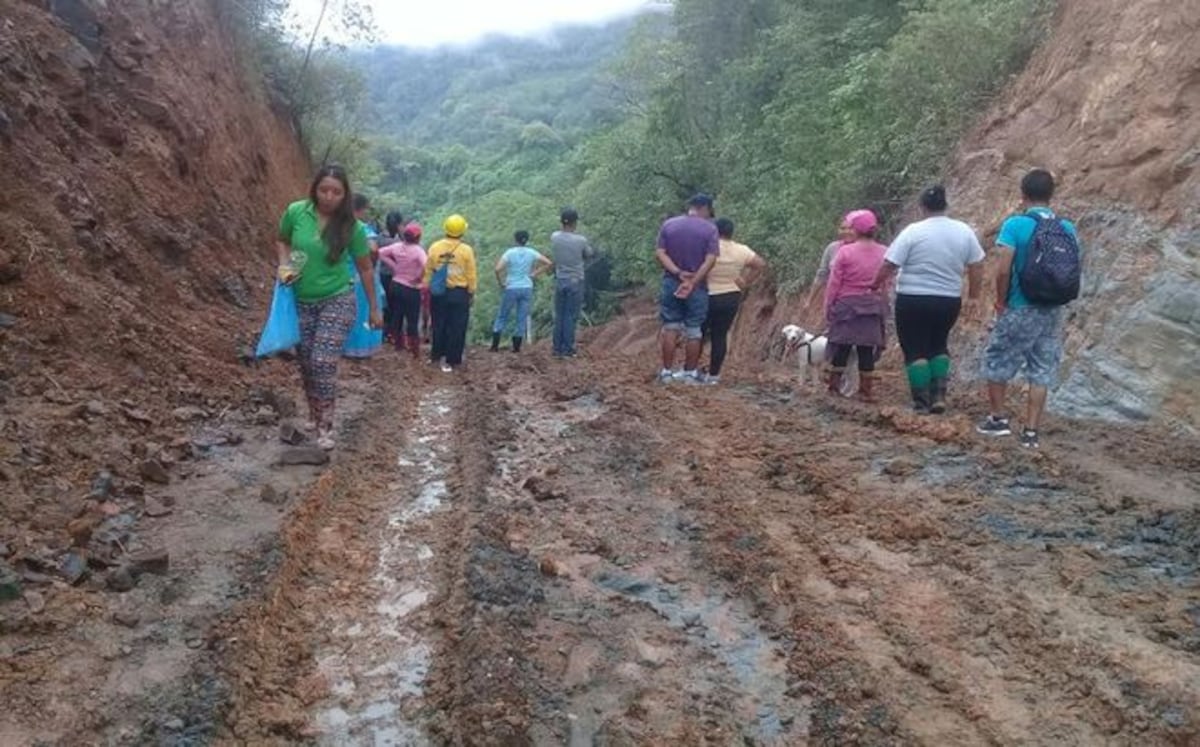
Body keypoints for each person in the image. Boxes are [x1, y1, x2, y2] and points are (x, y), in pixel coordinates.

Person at [275, 165, 380, 451]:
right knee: (307, 361)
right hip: (301, 299)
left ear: (345, 195)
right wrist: (285, 265)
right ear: (315, 188)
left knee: (323, 360)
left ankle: (326, 426)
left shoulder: (351, 227)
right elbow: (283, 240)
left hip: (338, 298)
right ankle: (314, 412)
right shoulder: (297, 212)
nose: (329, 197)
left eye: (336, 192)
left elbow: (365, 268)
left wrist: (374, 308)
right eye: (324, 190)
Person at [977, 169, 1080, 449]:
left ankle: (998, 419)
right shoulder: (1067, 228)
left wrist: (1001, 301)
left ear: (1022, 194)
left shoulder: (1015, 225)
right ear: (1051, 194)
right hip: (1052, 309)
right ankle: (1031, 432)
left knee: (998, 359)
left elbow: (1003, 269)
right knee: (1042, 368)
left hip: (1020, 306)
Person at [872, 185, 985, 413]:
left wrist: (874, 284)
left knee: (915, 349)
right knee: (939, 344)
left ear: (922, 207)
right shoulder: (964, 231)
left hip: (913, 299)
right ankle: (939, 396)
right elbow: (977, 264)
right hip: (948, 300)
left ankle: (921, 402)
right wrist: (973, 296)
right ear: (946, 205)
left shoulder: (913, 232)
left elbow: (890, 264)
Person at [656, 193, 721, 383]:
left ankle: (666, 372)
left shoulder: (669, 225)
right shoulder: (710, 229)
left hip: (671, 282)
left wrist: (677, 273)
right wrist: (693, 281)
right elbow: (710, 259)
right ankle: (689, 373)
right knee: (694, 330)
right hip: (697, 287)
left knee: (670, 326)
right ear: (705, 208)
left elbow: (660, 253)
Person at [824, 209, 889, 401]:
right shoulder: (885, 252)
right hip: (872, 305)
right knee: (866, 349)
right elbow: (887, 282)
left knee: (842, 347)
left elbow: (834, 283)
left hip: (846, 306)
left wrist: (828, 306)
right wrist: (883, 305)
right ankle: (865, 391)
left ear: (856, 230)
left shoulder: (844, 252)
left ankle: (834, 388)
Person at [701, 217, 766, 385]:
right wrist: (745, 281)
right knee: (720, 335)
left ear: (714, 231)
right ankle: (714, 376)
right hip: (730, 295)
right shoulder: (741, 250)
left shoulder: (707, 246)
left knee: (699, 333)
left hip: (706, 294)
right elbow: (760, 264)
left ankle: (691, 371)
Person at [424, 214, 477, 373]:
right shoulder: (466, 250)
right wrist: (471, 291)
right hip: (459, 293)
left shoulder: (435, 247)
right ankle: (453, 359)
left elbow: (428, 270)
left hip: (439, 292)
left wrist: (426, 287)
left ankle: (436, 354)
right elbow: (471, 274)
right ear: (462, 231)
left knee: (439, 324)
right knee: (458, 326)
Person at [492, 230, 552, 353]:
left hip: (511, 287)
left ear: (515, 239)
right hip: (526, 287)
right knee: (521, 316)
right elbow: (548, 263)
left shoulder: (510, 253)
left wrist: (501, 282)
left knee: (503, 315)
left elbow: (497, 269)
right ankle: (516, 347)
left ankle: (495, 345)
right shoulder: (531, 252)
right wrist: (535, 274)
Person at [343, 194, 386, 359]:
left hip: (342, 275)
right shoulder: (362, 228)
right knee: (363, 310)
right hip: (361, 276)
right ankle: (360, 348)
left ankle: (342, 346)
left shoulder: (337, 226)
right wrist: (370, 265)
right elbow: (373, 249)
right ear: (362, 209)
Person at [550, 208, 594, 359]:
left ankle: (557, 348)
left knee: (560, 315)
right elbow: (588, 254)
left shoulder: (555, 237)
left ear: (561, 222)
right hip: (575, 280)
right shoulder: (581, 240)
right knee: (570, 316)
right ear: (575, 222)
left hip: (560, 279)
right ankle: (568, 348)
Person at [379, 221, 427, 359]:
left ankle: (398, 344)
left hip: (396, 284)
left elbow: (379, 253)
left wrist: (393, 266)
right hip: (411, 288)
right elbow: (426, 264)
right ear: (418, 237)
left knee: (397, 314)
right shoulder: (418, 250)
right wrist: (418, 277)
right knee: (412, 318)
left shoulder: (397, 246)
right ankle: (414, 350)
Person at [805, 220, 857, 314]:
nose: (846, 231)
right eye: (843, 228)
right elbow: (822, 274)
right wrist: (809, 301)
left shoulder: (865, 249)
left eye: (850, 228)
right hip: (837, 303)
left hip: (860, 303)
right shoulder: (832, 248)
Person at [378, 211, 404, 340]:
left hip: (383, 275)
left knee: (385, 305)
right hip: (398, 277)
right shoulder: (400, 241)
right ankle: (396, 333)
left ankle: (385, 332)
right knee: (397, 305)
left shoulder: (380, 238)